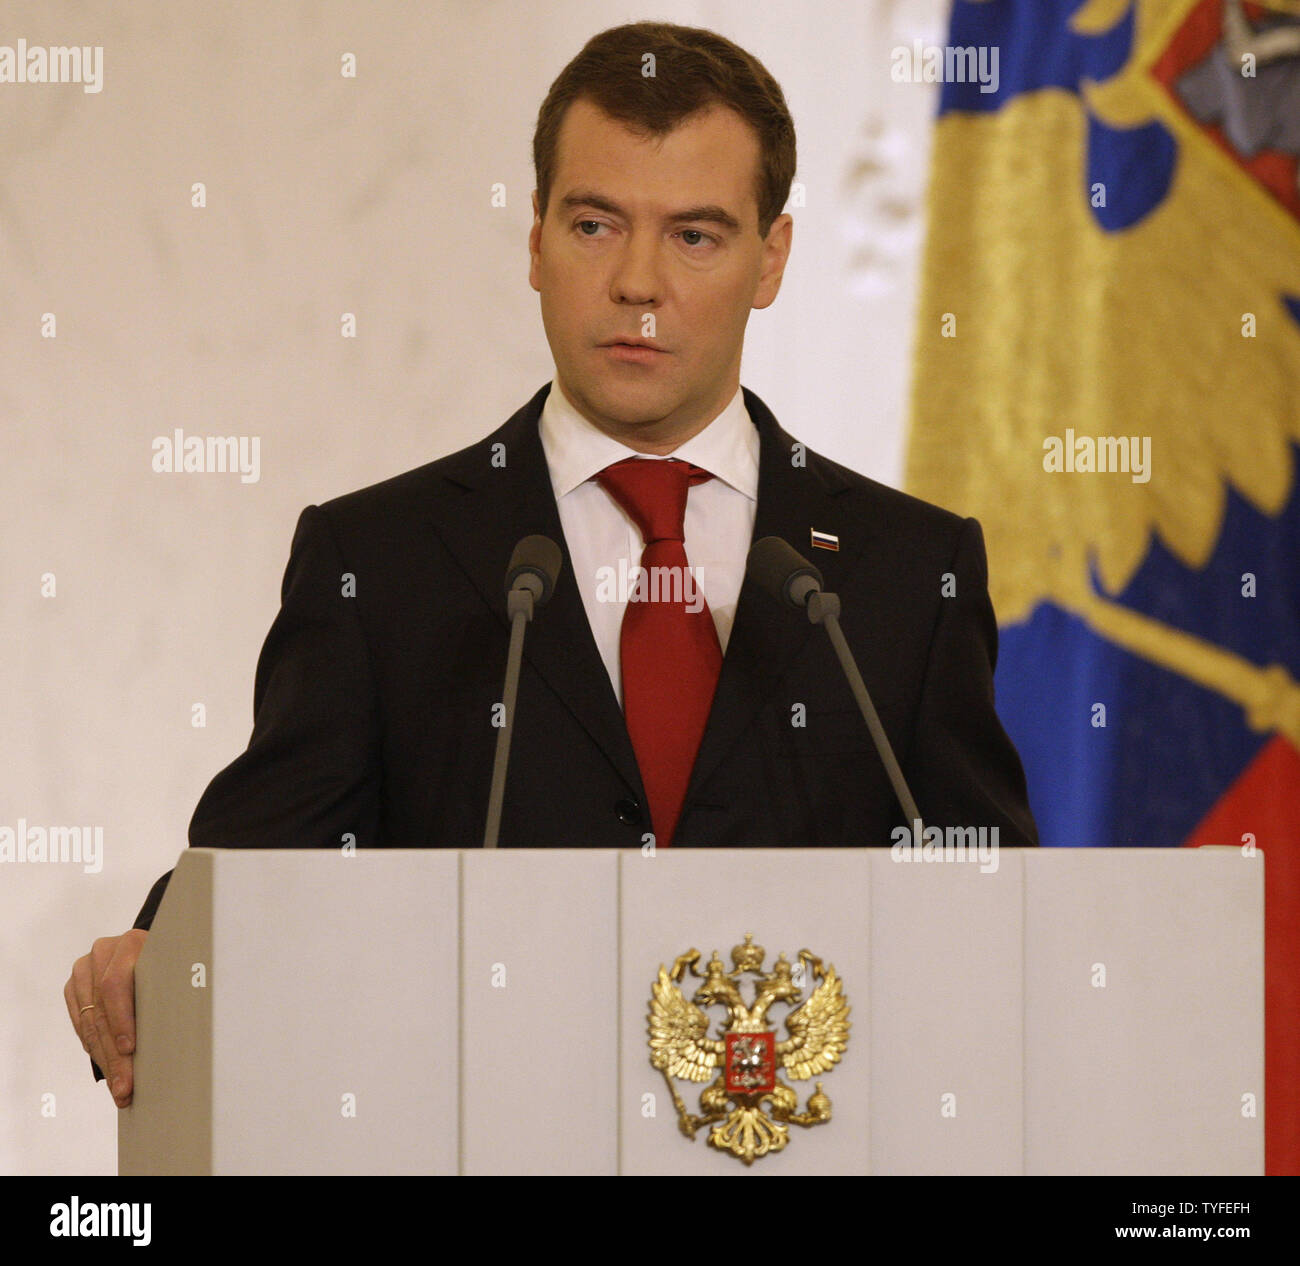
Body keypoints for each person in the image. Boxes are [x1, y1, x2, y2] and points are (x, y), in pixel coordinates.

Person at [65, 20, 1038, 1111]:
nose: (636, 283)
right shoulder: (377, 561)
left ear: (773, 261)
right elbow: (266, 870)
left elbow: (991, 916)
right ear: (533, 242)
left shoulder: (910, 569)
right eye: (594, 223)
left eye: (697, 237)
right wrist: (161, 941)